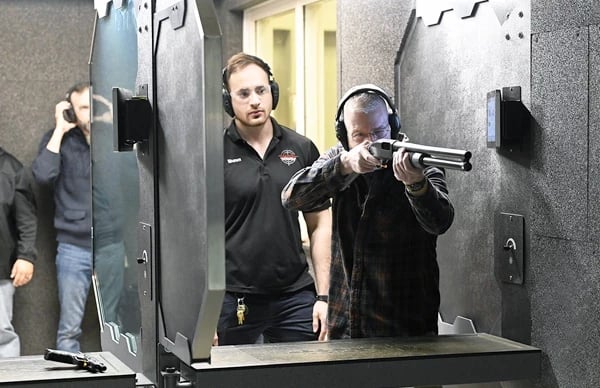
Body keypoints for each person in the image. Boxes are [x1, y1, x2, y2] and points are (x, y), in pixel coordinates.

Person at [282, 84, 454, 339]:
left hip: (406, 325)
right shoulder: (340, 158)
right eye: (358, 135)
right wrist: (344, 166)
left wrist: (416, 184)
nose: (370, 143)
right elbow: (292, 197)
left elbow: (439, 222)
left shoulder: (417, 160)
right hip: (347, 323)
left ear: (393, 126)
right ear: (344, 135)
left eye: (379, 132)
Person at [216, 52, 331, 345]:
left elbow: (320, 224)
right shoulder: (213, 153)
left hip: (294, 295)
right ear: (228, 100)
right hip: (233, 297)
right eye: (243, 93)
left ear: (273, 92)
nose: (255, 100)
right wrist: (201, 311)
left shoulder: (301, 148)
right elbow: (195, 236)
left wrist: (324, 296)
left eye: (261, 90)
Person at [32, 82, 93, 352]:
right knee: (69, 331)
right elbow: (43, 176)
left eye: (95, 106)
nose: (90, 113)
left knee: (124, 325)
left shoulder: (117, 140)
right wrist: (60, 128)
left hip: (115, 246)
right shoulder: (59, 140)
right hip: (74, 247)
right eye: (83, 107)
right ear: (72, 110)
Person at [0, 147, 37, 358]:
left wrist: (26, 257)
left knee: (1, 333)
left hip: (1, 269)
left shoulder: (12, 168)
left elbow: (27, 219)